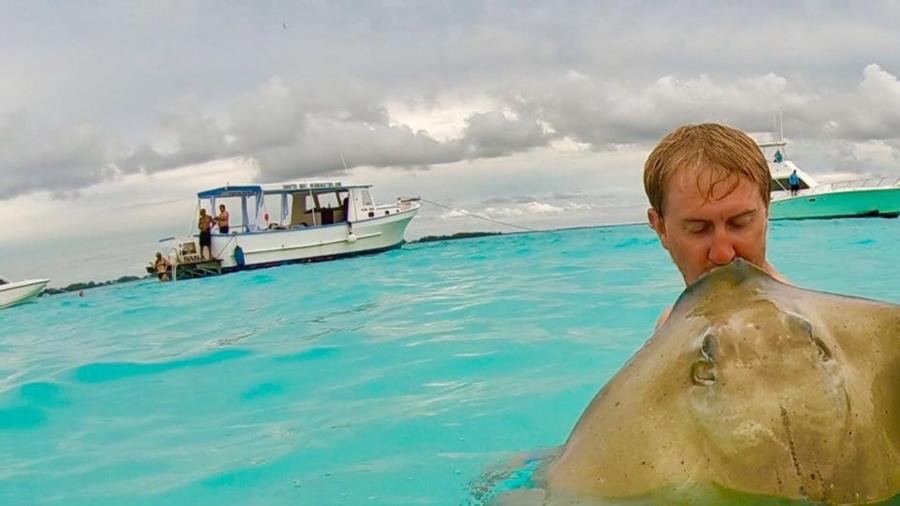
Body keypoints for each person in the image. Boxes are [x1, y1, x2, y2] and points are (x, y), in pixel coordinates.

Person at [644, 123, 785, 329]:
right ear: (660, 228)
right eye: (698, 229)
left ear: (767, 212)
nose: (723, 255)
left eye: (740, 223)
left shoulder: (815, 323)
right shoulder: (669, 325)